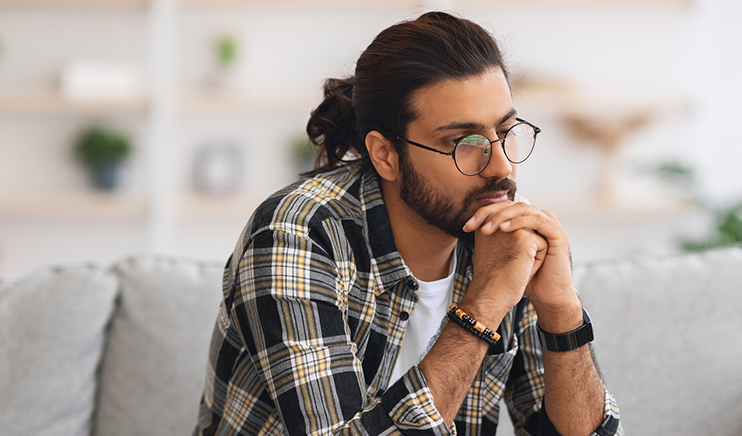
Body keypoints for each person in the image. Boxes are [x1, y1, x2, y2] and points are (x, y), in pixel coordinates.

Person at [194, 11, 621, 436]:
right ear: (385, 155)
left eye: (507, 131)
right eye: (461, 142)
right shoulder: (297, 234)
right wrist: (484, 304)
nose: (502, 166)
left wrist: (561, 310)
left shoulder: (506, 231)